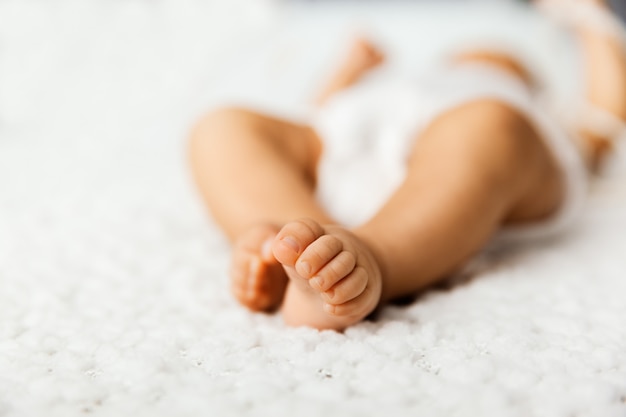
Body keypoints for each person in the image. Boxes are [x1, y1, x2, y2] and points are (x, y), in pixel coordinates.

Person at [188, 0, 626, 331]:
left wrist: (592, 21)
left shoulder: (535, 111)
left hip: (458, 176)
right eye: (471, 55)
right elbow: (317, 114)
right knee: (222, 126)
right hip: (351, 141)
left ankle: (374, 260)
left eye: (503, 61)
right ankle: (297, 244)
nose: (479, 58)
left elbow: (605, 115)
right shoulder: (404, 80)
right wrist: (349, 71)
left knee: (494, 126)